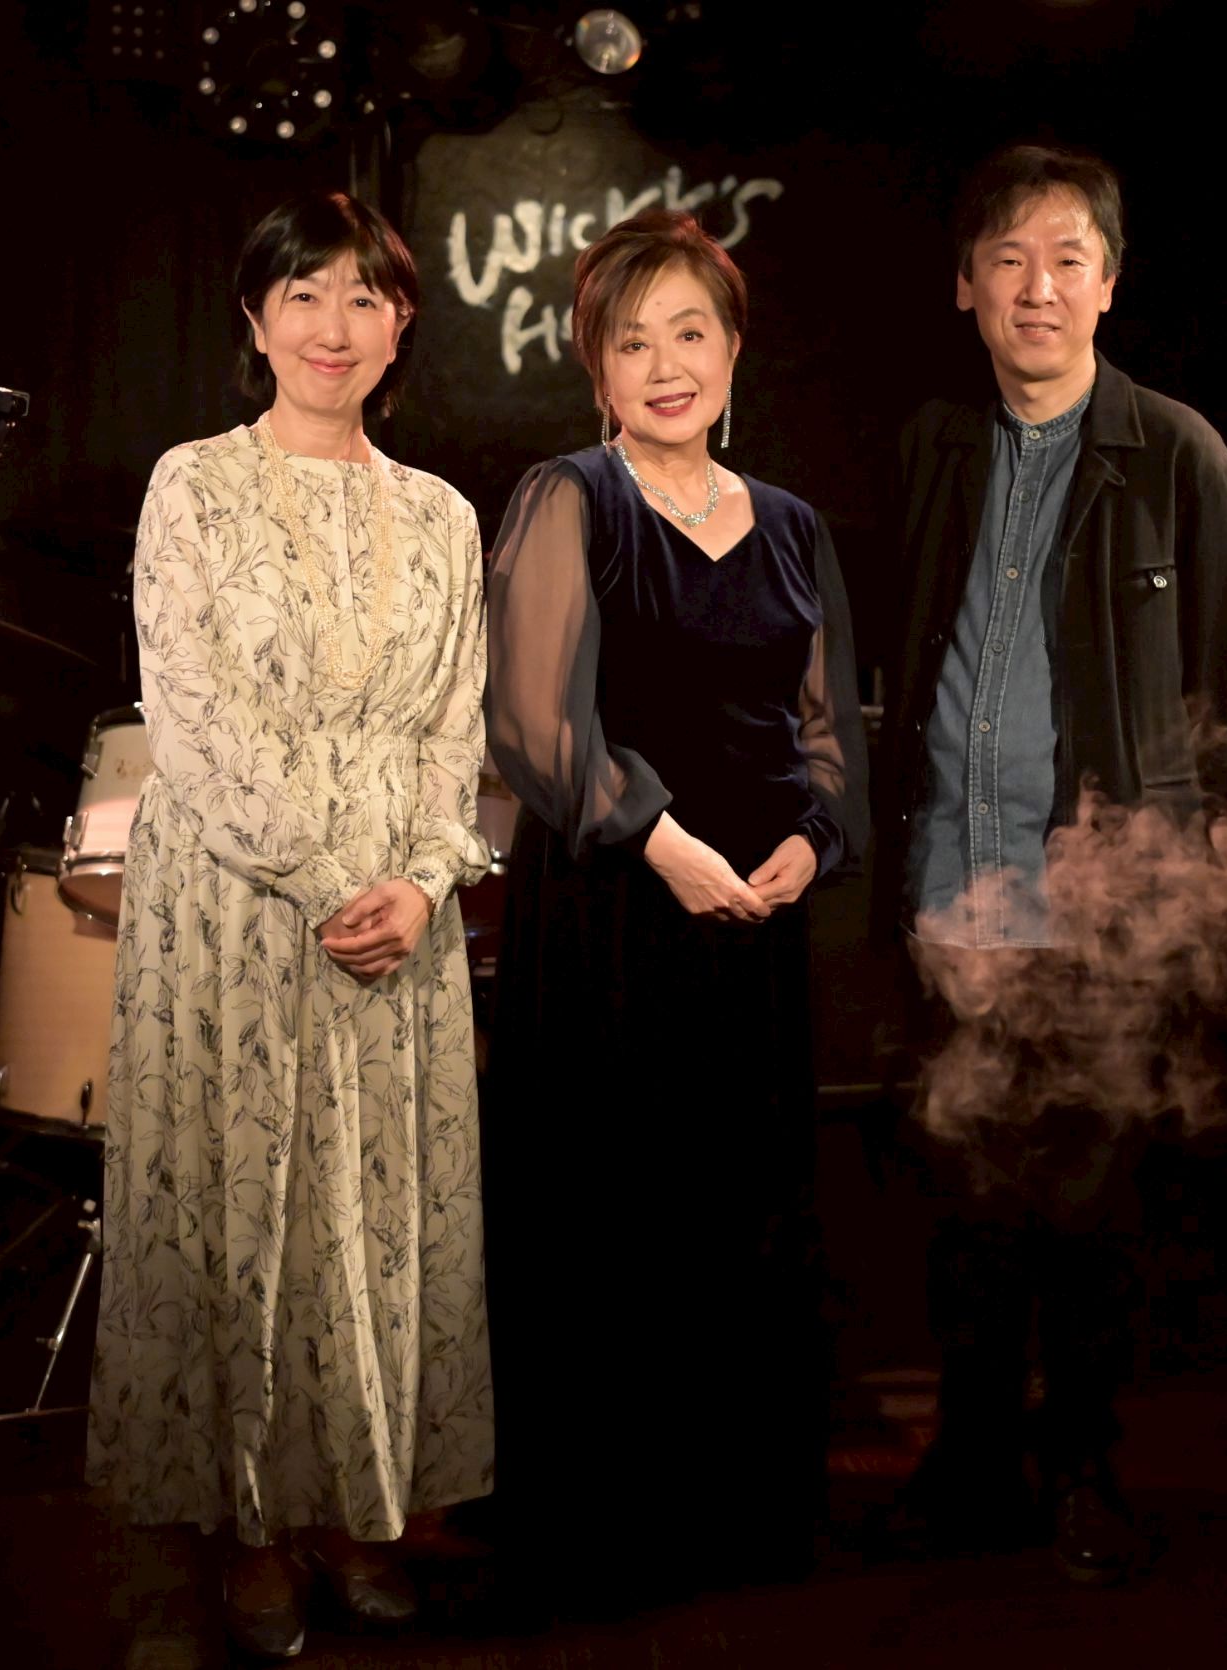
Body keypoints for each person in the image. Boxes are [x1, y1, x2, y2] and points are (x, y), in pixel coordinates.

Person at [87, 191, 494, 1660]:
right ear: (255, 319)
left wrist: (424, 881)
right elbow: (192, 723)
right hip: (239, 908)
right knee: (247, 1215)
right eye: (304, 294)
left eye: (364, 297)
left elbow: (456, 730)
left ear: (401, 326)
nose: (334, 325)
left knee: (373, 1226)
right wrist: (328, 881)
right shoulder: (193, 485)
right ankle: (252, 1535)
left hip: (398, 915)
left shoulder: (442, 513)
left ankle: (362, 1513)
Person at [873, 145, 1227, 1583]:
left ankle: (1084, 1462)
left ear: (1108, 283)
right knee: (965, 1200)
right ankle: (972, 1458)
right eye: (1008, 260)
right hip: (947, 888)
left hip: (1104, 906)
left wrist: (1176, 888)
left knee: (1091, 1210)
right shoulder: (932, 444)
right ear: (965, 286)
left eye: (1066, 260)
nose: (1035, 288)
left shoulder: (1178, 456)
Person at [480, 209, 868, 1605]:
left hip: (751, 927)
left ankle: (734, 1518)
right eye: (631, 341)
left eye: (688, 333)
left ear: (734, 349)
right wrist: (660, 839)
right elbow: (532, 721)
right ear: (595, 367)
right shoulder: (567, 498)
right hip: (609, 916)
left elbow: (828, 732)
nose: (664, 366)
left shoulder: (793, 526)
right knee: (608, 1218)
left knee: (739, 1213)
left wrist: (812, 841)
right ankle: (602, 1535)